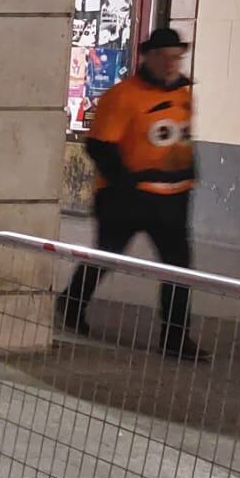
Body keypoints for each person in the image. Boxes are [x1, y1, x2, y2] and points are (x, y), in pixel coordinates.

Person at [56, 27, 204, 361]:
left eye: (176, 58)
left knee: (180, 269)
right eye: (164, 57)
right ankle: (72, 301)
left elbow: (183, 137)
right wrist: (127, 186)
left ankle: (175, 338)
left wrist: (189, 175)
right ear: (148, 58)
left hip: (173, 196)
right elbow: (99, 146)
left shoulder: (185, 94)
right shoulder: (123, 96)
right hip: (125, 197)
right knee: (108, 256)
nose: (171, 64)